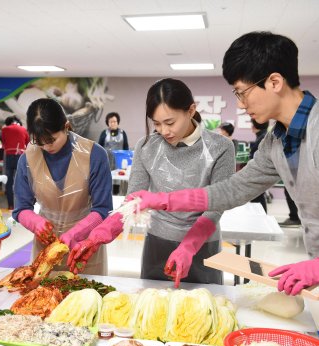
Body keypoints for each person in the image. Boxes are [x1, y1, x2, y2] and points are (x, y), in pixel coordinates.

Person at [123, 32, 319, 346]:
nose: (241, 104)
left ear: (274, 81)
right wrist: (164, 200)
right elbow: (232, 189)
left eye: (242, 92)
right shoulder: (277, 140)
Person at [67, 78, 235, 284]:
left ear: (191, 110)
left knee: (203, 307)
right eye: (156, 124)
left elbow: (215, 208)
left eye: (170, 122)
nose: (164, 131)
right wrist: (98, 235)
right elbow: (133, 202)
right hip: (158, 243)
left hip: (202, 245)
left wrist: (188, 247)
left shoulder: (220, 147)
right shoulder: (147, 147)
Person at [12, 98, 112, 275]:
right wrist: (36, 223)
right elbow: (21, 209)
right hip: (46, 246)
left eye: (51, 140)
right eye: (39, 141)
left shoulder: (94, 155)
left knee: (84, 296)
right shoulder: (27, 159)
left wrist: (75, 234)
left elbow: (103, 209)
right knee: (44, 297)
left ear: (66, 126)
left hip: (84, 245)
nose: (45, 147)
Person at [1, 116, 29, 210]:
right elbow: (28, 143)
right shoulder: (23, 129)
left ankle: (10, 205)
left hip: (9, 157)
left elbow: (3, 144)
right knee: (21, 181)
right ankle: (20, 206)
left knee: (9, 182)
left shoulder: (5, 129)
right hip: (20, 157)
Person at [248, 119, 269, 212]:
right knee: (257, 196)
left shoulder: (263, 137)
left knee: (257, 197)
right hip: (259, 171)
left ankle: (260, 217)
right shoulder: (262, 136)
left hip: (259, 172)